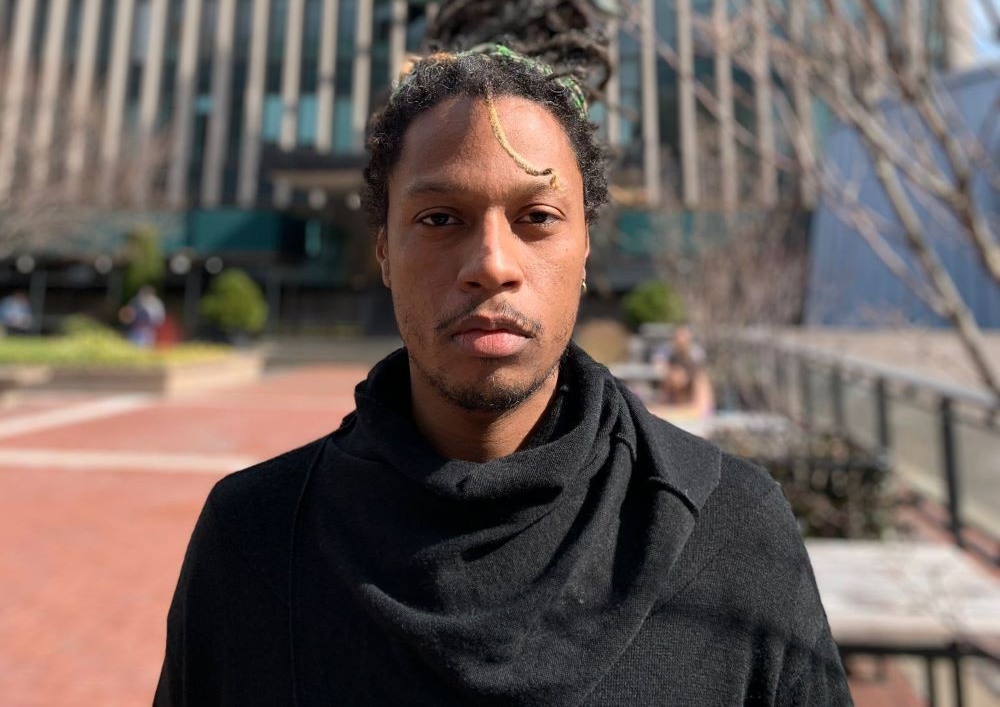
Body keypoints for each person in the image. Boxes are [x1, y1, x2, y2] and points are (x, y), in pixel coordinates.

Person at [155, 47, 851, 706]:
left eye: (537, 218)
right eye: (439, 218)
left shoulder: (731, 527)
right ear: (384, 253)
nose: (492, 262)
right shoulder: (254, 537)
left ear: (583, 249)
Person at [118, 284, 165, 348]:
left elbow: (160, 319)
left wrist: (148, 318)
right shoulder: (135, 301)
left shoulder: (156, 304)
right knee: (133, 348)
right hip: (135, 330)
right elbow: (127, 317)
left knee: (145, 350)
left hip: (149, 331)